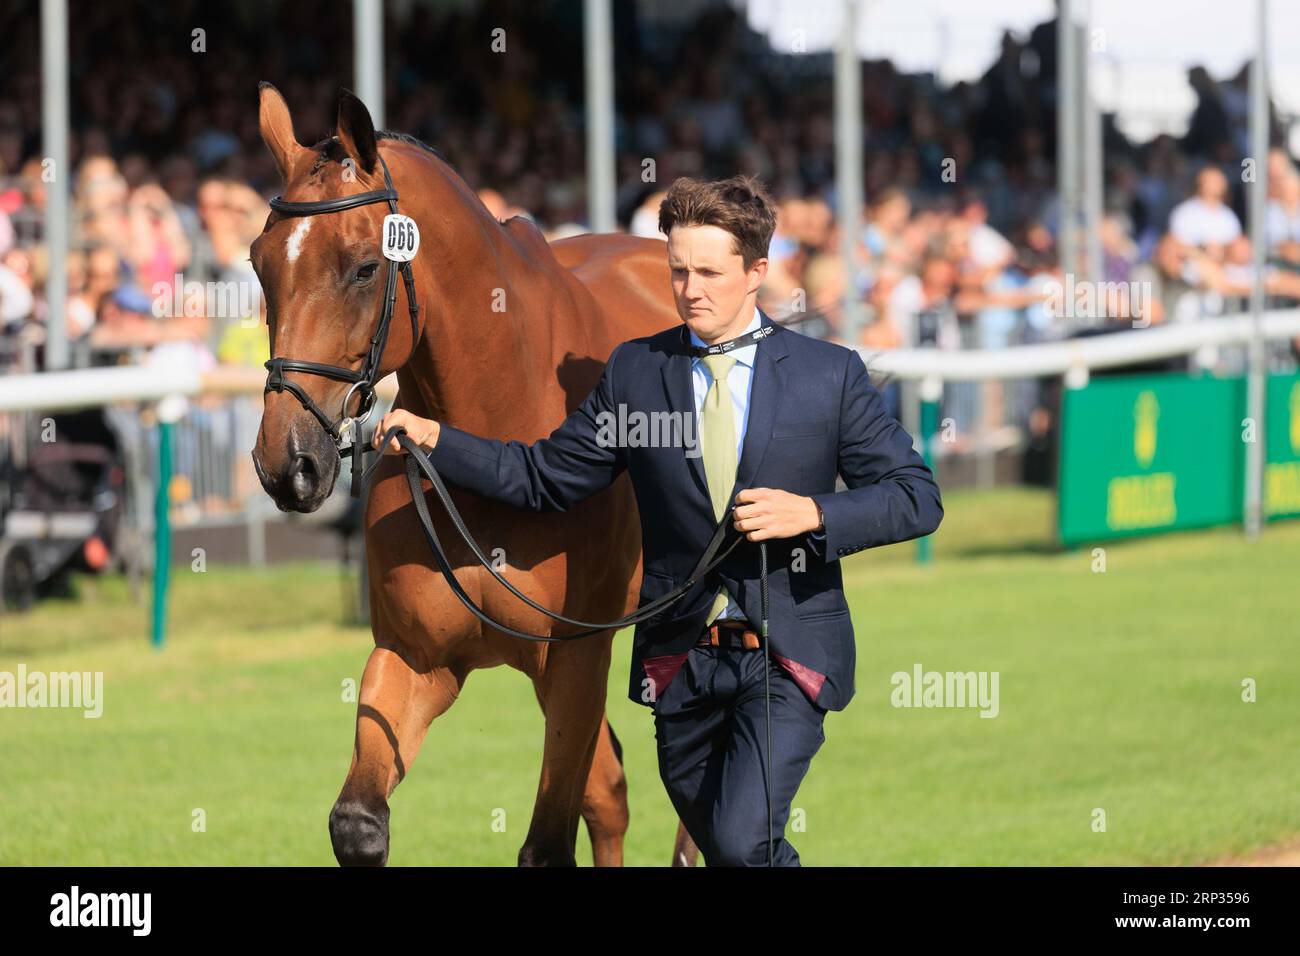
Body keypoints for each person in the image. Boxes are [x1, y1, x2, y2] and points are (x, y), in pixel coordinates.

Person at [371, 175, 944, 866]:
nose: (689, 288)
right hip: (681, 664)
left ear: (757, 272)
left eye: (709, 272)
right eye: (678, 271)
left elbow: (917, 496)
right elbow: (545, 477)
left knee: (739, 844)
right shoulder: (636, 373)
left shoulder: (830, 375)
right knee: (734, 851)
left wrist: (813, 512)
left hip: (787, 655)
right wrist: (440, 440)